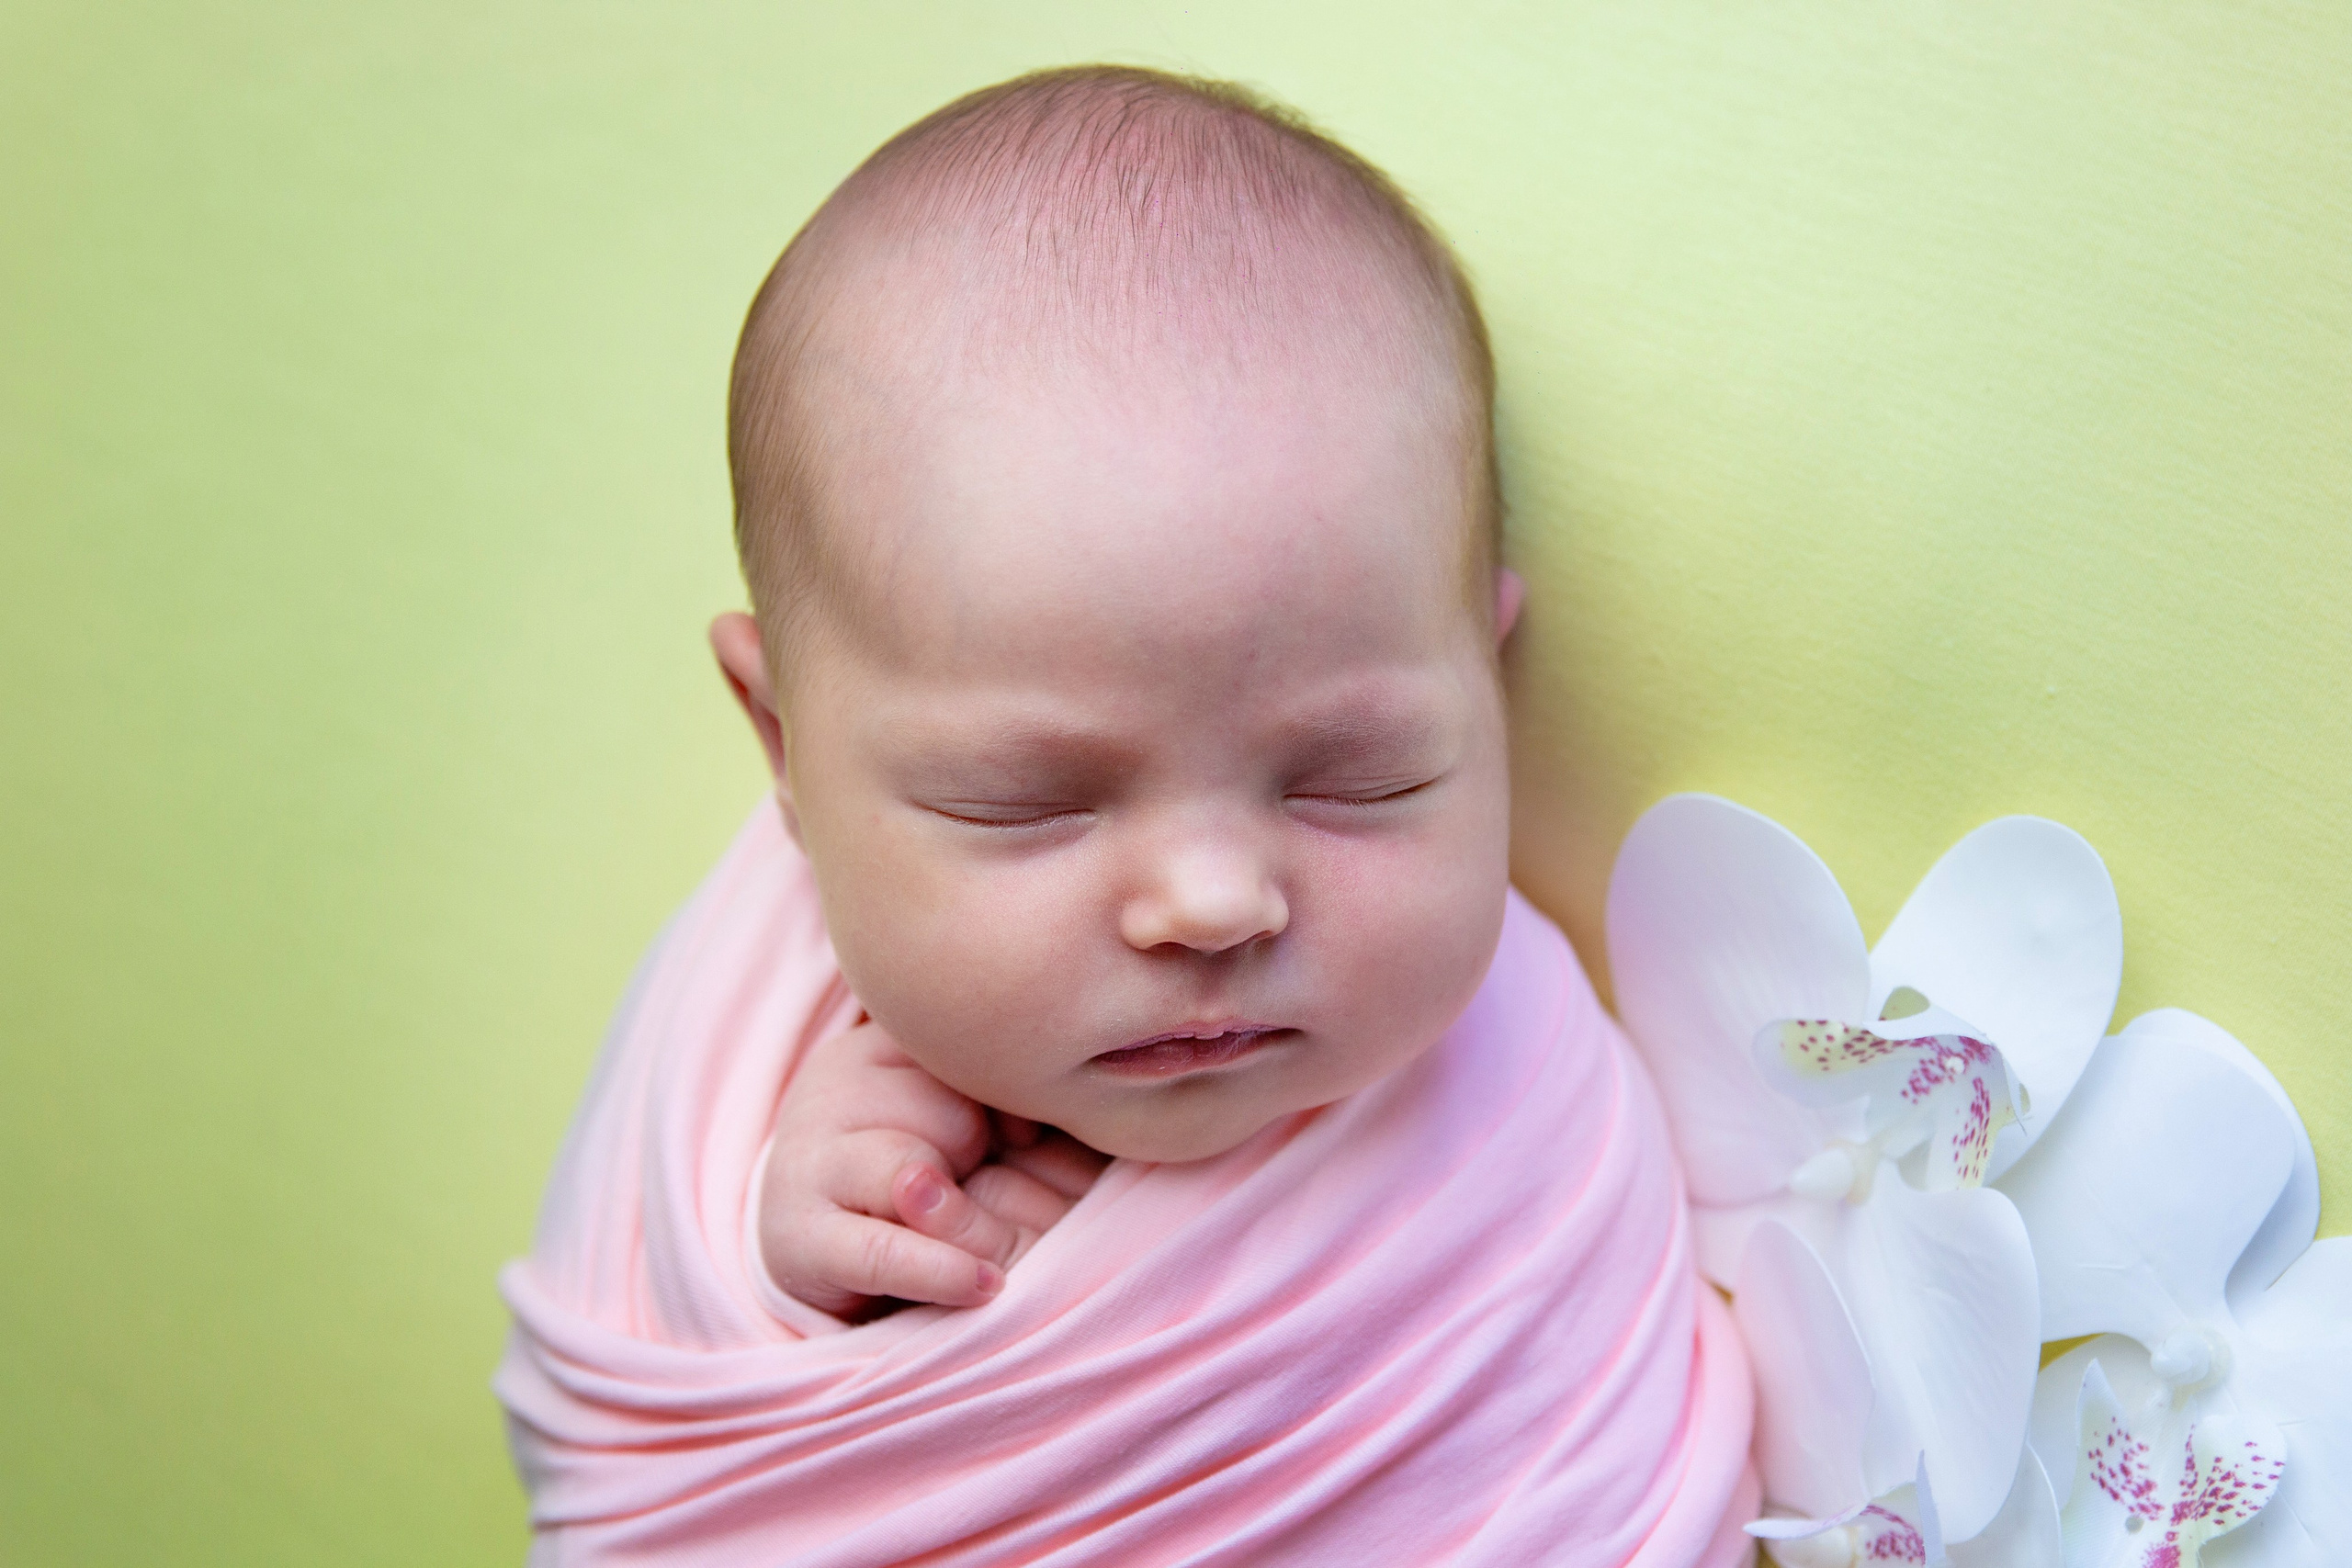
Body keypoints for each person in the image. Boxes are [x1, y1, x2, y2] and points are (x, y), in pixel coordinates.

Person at [496, 64, 1757, 1565]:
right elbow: (670, 1440)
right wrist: (816, 1248)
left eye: (1357, 777)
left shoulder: (1517, 1143)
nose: (1216, 901)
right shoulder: (746, 1048)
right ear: (784, 742)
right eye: (1026, 803)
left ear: (1484, 678)